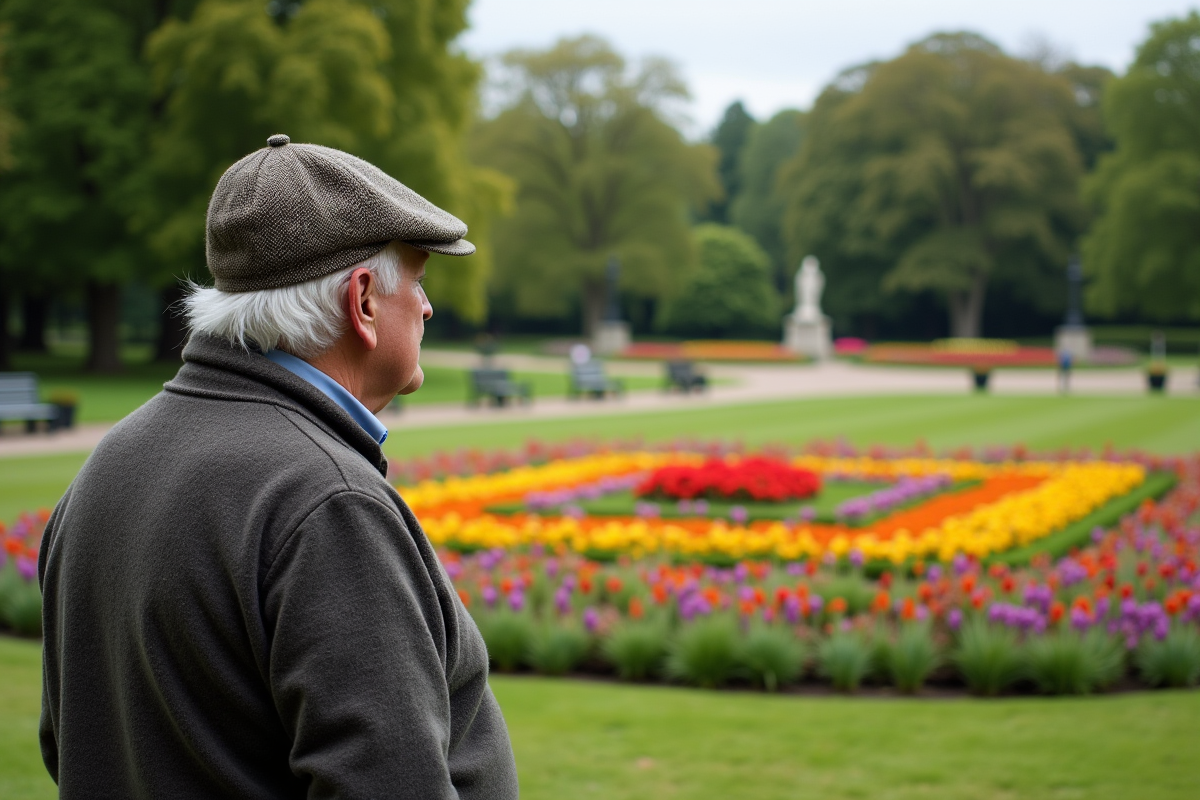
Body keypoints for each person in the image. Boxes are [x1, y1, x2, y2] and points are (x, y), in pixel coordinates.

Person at [38, 135, 519, 799]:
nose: (429, 306)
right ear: (364, 301)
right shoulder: (327, 501)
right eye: (419, 279)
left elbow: (66, 741)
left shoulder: (109, 464)